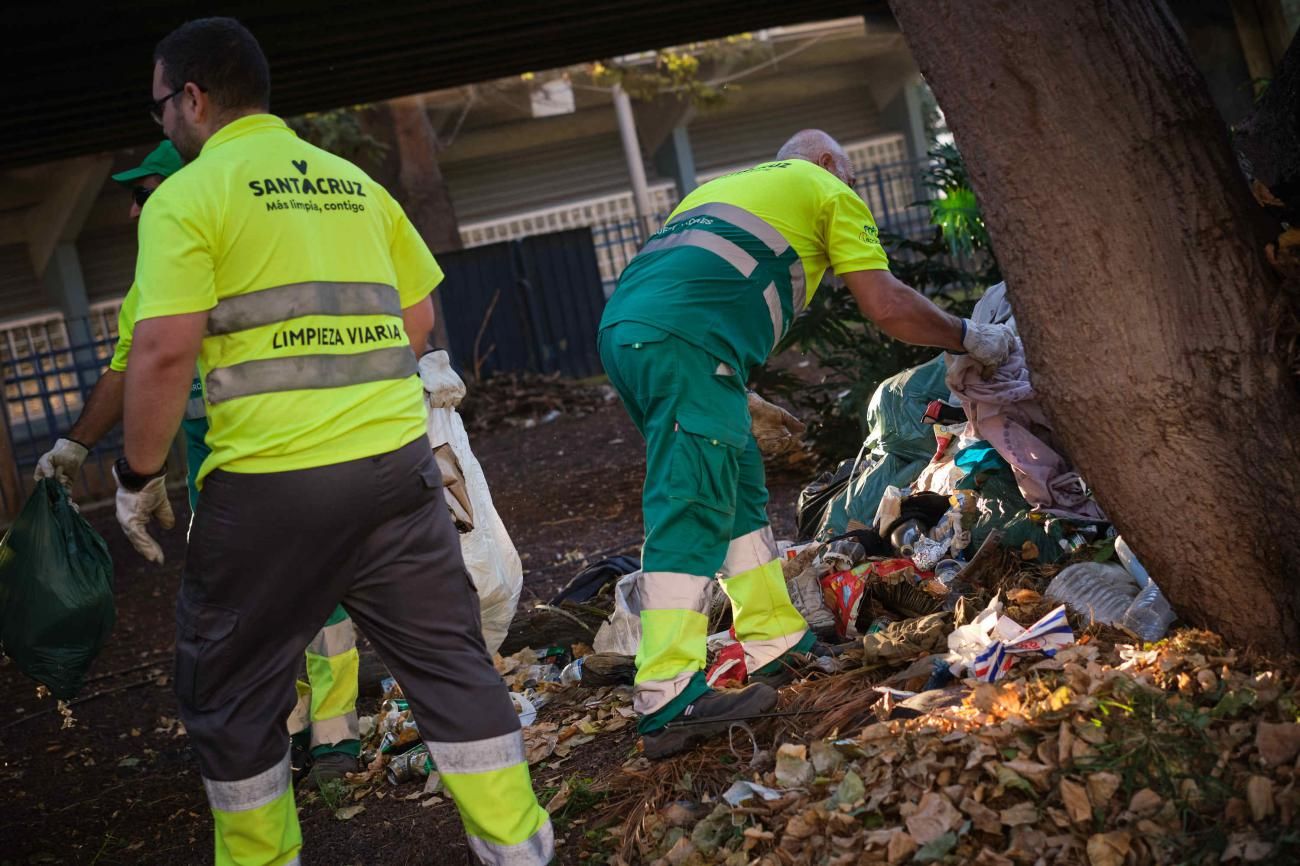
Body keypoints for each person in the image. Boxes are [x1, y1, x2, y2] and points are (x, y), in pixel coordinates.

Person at [120, 17, 551, 865]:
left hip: (269, 490)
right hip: (396, 476)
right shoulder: (351, 183)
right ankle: (521, 852)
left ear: (194, 99)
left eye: (160, 105)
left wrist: (137, 474)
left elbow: (164, 347)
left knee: (233, 692)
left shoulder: (189, 196)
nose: (161, 121)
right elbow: (420, 313)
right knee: (451, 669)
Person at [597, 129, 1015, 759]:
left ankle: (772, 635)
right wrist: (969, 335)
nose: (850, 190)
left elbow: (694, 285)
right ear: (826, 163)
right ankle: (667, 694)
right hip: (683, 346)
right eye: (845, 174)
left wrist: (732, 387)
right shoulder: (825, 189)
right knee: (691, 503)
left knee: (735, 488)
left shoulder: (723, 189)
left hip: (632, 336)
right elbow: (888, 304)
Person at [34, 141, 365, 788]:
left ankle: (335, 739)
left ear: (185, 192)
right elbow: (127, 366)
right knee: (251, 610)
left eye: (145, 193)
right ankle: (289, 731)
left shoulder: (243, 253)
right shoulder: (158, 280)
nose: (133, 212)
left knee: (318, 601)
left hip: (286, 459)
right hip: (219, 483)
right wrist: (74, 445)